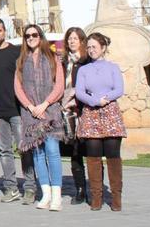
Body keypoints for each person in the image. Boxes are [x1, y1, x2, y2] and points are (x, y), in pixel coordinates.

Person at [0, 18, 36, 204]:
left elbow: (27, 78)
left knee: (24, 149)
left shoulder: (16, 52)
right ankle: (11, 187)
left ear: (5, 31)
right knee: (5, 151)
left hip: (17, 109)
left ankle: (30, 187)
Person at [14, 24, 65, 212]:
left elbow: (59, 85)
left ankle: (57, 194)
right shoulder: (21, 61)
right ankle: (45, 194)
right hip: (30, 114)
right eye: (27, 36)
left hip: (50, 111)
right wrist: (30, 106)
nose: (31, 38)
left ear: (40, 36)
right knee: (37, 154)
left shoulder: (53, 58)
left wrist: (45, 104)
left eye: (34, 34)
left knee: (52, 150)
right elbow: (18, 87)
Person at [76, 33, 126, 212]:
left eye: (94, 47)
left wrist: (106, 98)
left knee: (113, 155)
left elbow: (119, 89)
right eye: (88, 47)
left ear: (103, 48)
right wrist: (94, 101)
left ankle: (116, 197)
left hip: (110, 112)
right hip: (91, 113)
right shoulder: (83, 70)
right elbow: (80, 92)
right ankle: (96, 196)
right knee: (93, 156)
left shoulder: (113, 67)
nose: (91, 50)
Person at [61, 27, 89, 205]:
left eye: (75, 39)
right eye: (69, 39)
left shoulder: (87, 62)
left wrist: (77, 99)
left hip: (85, 110)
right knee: (75, 152)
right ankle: (80, 189)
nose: (72, 42)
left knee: (92, 150)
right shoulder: (64, 62)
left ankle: (95, 186)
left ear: (82, 41)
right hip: (68, 113)